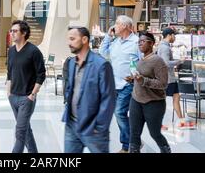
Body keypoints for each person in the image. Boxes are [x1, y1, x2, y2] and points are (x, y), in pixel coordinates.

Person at [63, 26, 116, 153]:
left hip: (93, 128)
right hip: (72, 125)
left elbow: (109, 98)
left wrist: (100, 126)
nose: (69, 43)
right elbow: (70, 88)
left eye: (72, 39)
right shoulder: (71, 62)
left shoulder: (102, 65)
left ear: (85, 39)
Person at [98, 15, 141, 153]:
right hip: (114, 84)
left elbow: (144, 61)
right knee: (119, 114)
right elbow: (103, 53)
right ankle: (134, 142)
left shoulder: (137, 42)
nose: (114, 26)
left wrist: (137, 76)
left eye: (117, 23)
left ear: (125, 26)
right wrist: (108, 37)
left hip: (128, 84)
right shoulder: (116, 41)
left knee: (119, 113)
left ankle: (128, 146)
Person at [127, 32, 171, 153]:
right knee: (134, 133)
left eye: (143, 41)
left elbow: (163, 84)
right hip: (136, 100)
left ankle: (165, 149)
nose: (140, 43)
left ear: (151, 43)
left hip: (154, 103)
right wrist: (132, 79)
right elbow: (139, 78)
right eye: (138, 42)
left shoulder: (158, 61)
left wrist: (143, 80)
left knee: (155, 133)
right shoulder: (140, 60)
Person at [6, 20, 46, 153]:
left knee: (20, 132)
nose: (12, 33)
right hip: (13, 97)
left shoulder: (33, 51)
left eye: (15, 31)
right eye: (11, 31)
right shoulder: (11, 51)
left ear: (24, 33)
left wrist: (32, 95)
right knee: (25, 129)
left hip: (26, 99)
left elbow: (41, 74)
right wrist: (9, 93)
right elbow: (9, 73)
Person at [157, 28, 194, 129]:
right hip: (167, 78)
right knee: (161, 101)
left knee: (176, 97)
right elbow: (166, 63)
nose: (175, 38)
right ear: (169, 35)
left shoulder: (163, 46)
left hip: (169, 78)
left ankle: (181, 121)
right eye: (174, 36)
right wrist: (179, 61)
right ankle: (157, 124)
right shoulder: (164, 48)